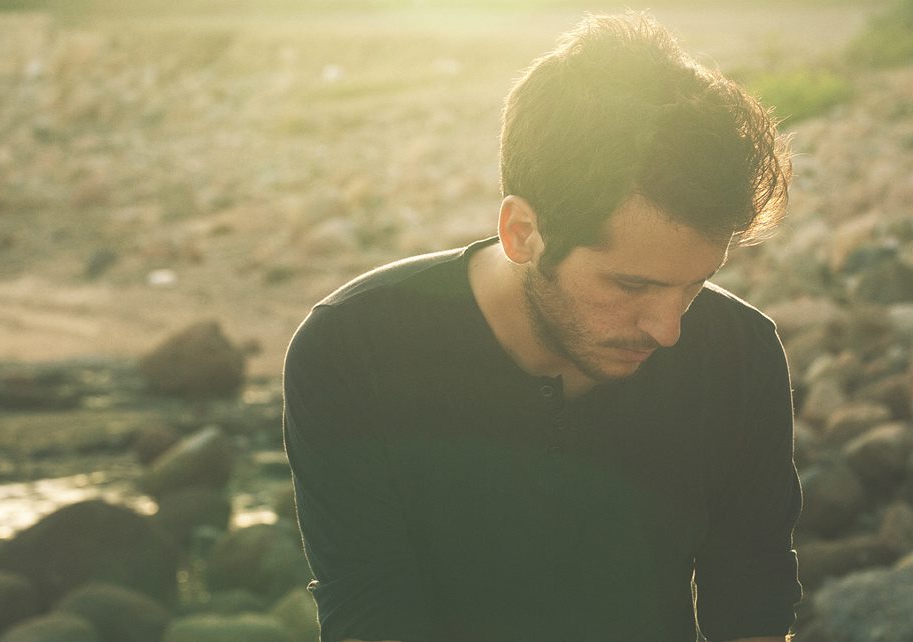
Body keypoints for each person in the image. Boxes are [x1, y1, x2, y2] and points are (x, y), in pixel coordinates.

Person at [283, 11, 801, 642]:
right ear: (522, 232)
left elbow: (752, 605)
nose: (668, 330)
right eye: (630, 286)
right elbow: (369, 609)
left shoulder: (739, 355)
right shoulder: (353, 349)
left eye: (694, 285)